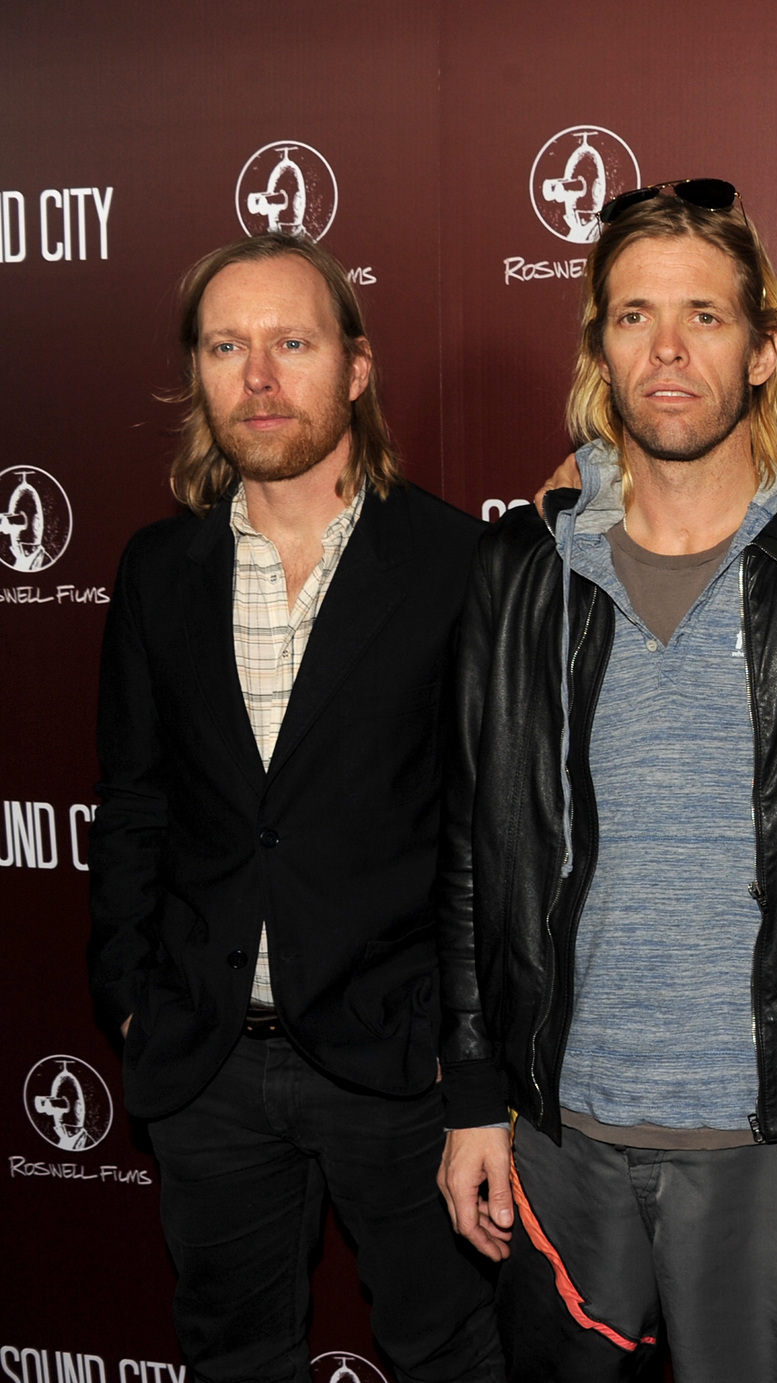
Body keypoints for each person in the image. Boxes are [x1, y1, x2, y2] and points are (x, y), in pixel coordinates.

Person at [434, 180, 777, 1382]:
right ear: (598, 349)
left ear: (763, 348)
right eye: (632, 316)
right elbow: (473, 846)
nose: (666, 349)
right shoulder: (520, 569)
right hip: (556, 1135)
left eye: (704, 316)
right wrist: (471, 1092)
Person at [87, 232, 501, 1382]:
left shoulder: (456, 561)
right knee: (231, 1355)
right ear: (200, 376)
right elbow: (133, 805)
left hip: (399, 1064)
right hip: (205, 1060)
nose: (257, 376)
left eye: (291, 343)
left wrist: (464, 1054)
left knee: (453, 1351)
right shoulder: (158, 570)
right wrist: (130, 998)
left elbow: (489, 827)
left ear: (355, 371)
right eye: (227, 346)